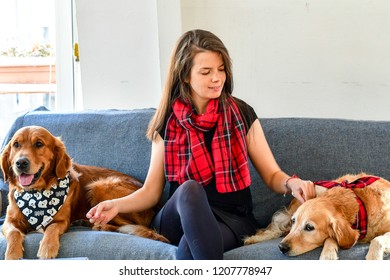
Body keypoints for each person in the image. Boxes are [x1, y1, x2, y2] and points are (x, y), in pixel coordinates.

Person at [86, 29, 315, 260]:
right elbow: (151, 192)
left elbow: (272, 174)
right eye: (206, 72)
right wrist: (116, 204)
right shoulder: (167, 122)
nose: (217, 78)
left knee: (189, 248)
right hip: (178, 217)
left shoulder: (242, 114)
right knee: (190, 189)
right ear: (185, 75)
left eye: (221, 69)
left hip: (231, 219)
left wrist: (291, 182)